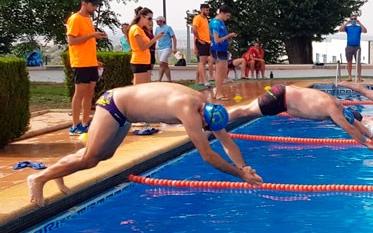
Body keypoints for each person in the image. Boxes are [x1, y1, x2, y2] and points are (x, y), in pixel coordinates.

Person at [27, 83, 262, 207]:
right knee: (90, 158)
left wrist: (243, 168)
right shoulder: (188, 109)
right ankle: (38, 179)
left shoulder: (207, 108)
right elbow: (207, 155)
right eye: (204, 127)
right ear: (202, 118)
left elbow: (226, 140)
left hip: (126, 113)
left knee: (103, 155)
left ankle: (60, 170)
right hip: (113, 105)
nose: (203, 130)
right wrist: (239, 176)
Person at [230, 84, 373, 150]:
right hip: (280, 99)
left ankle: (214, 118)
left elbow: (353, 122)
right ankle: (211, 119)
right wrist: (366, 144)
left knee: (245, 109)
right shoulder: (333, 109)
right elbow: (349, 127)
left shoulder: (337, 104)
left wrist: (372, 136)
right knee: (244, 112)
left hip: (282, 92)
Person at [66, 0, 107, 136]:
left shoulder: (88, 19)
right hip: (80, 62)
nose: (95, 8)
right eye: (93, 5)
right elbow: (72, 41)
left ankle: (85, 122)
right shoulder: (75, 19)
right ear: (84, 3)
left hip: (90, 62)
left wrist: (94, 60)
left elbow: (87, 42)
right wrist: (92, 35)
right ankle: (75, 125)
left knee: (90, 92)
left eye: (96, 5)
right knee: (80, 93)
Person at [128, 7, 164, 85]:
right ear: (142, 17)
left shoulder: (141, 29)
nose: (150, 21)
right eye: (149, 18)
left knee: (144, 87)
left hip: (144, 61)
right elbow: (142, 47)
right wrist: (155, 38)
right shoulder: (136, 29)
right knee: (138, 88)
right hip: (139, 61)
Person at [209, 5, 237, 100]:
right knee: (220, 72)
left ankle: (217, 92)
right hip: (218, 48)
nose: (227, 18)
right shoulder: (215, 23)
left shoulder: (221, 23)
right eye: (227, 15)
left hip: (222, 49)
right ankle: (218, 93)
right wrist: (228, 36)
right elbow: (216, 39)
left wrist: (228, 38)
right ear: (221, 13)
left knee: (223, 71)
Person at [339, 12, 366, 82]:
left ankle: (359, 77)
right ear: (350, 20)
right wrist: (346, 23)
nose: (353, 20)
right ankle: (349, 76)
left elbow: (365, 31)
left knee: (358, 63)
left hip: (357, 47)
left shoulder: (359, 27)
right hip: (349, 46)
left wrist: (360, 23)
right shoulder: (348, 27)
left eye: (355, 19)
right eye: (352, 19)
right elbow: (340, 29)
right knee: (349, 62)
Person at [192, 3, 212, 87]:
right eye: (206, 10)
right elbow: (194, 29)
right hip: (201, 42)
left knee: (204, 61)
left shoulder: (205, 19)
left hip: (207, 42)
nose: (208, 12)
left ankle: (200, 79)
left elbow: (206, 31)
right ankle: (204, 80)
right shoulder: (197, 18)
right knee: (202, 62)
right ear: (202, 9)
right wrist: (199, 39)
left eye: (208, 10)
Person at [154, 16, 178, 82]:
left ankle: (159, 79)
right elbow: (155, 38)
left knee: (161, 62)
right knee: (165, 65)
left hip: (167, 47)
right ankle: (169, 80)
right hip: (160, 48)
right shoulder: (157, 29)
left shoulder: (168, 28)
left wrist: (174, 47)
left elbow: (173, 37)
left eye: (158, 21)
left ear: (161, 21)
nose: (156, 22)